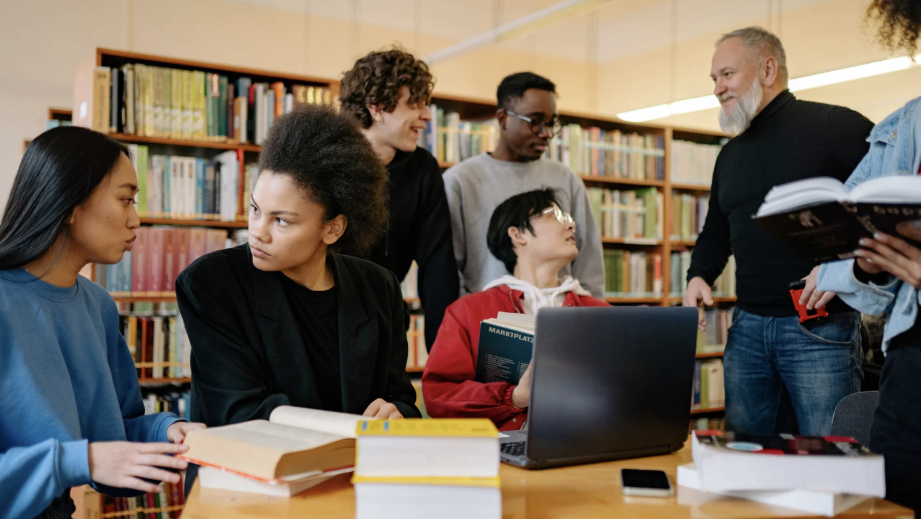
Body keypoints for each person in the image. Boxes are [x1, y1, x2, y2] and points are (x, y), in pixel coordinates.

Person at [176, 106, 421, 488]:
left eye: (282, 220)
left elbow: (400, 398)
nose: (258, 232)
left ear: (333, 228)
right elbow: (239, 412)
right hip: (248, 486)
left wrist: (397, 413)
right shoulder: (211, 283)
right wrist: (353, 427)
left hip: (351, 483)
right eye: (255, 210)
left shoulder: (379, 287)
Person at [0, 127, 204, 519]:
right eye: (125, 199)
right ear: (69, 202)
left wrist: (166, 432)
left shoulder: (98, 306)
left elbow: (110, 435)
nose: (136, 220)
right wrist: (77, 461)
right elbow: (87, 456)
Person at [682, 26, 875, 436]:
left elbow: (888, 209)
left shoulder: (837, 127)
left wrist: (848, 268)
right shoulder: (730, 155)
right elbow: (717, 230)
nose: (717, 88)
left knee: (831, 460)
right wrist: (698, 275)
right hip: (747, 328)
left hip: (822, 327)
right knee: (745, 457)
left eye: (727, 74)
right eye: (713, 79)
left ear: (768, 69)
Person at [816, 1, 921, 511]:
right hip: (910, 360)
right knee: (894, 503)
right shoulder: (899, 129)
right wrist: (865, 263)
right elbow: (840, 258)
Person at [422, 189, 608, 430]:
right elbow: (440, 396)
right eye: (555, 215)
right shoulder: (466, 312)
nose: (571, 225)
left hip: (588, 446)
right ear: (517, 234)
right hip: (498, 454)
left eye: (569, 218)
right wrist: (515, 397)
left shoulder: (602, 314)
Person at [443, 72, 605, 299]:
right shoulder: (460, 181)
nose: (546, 133)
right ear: (502, 119)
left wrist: (591, 320)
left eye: (551, 123)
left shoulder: (567, 180)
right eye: (535, 121)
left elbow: (589, 262)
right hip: (488, 321)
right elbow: (448, 268)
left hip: (561, 320)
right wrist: (469, 319)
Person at [339, 47, 459, 351]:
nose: (427, 115)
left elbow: (438, 267)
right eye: (415, 103)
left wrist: (443, 357)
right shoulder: (327, 161)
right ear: (377, 106)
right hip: (322, 327)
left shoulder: (423, 169)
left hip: (386, 330)